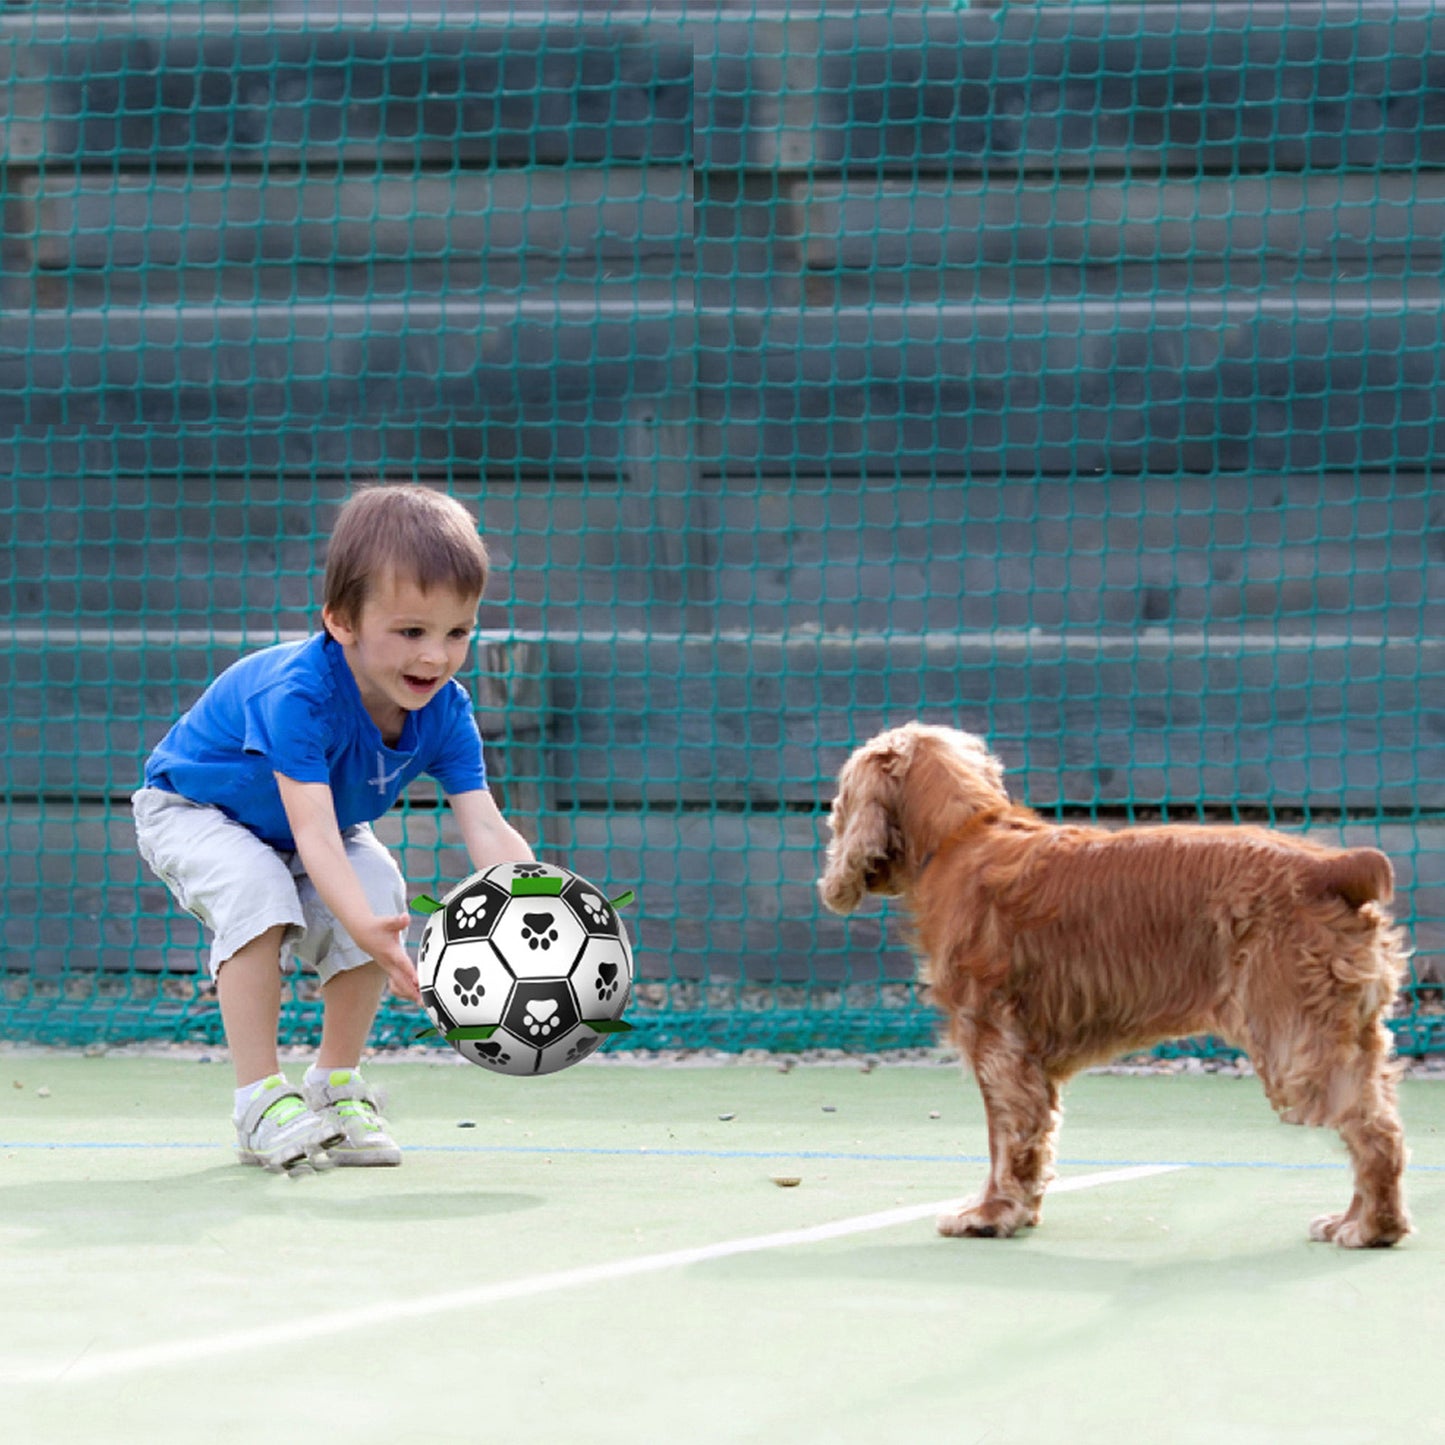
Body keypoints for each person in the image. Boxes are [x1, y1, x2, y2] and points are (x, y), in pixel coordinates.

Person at [132, 484, 535, 1172]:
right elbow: (315, 834)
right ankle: (259, 1101)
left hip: (301, 829)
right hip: (196, 811)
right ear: (341, 621)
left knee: (377, 887)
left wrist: (537, 903)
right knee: (261, 891)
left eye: (457, 632)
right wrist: (368, 931)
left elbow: (486, 823)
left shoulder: (446, 708)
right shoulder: (299, 694)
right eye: (411, 631)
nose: (435, 656)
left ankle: (334, 1087)